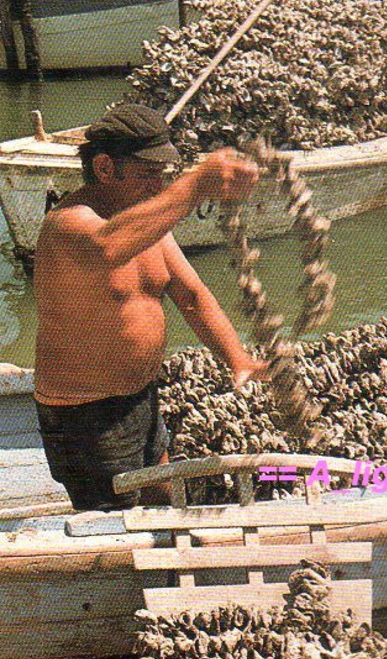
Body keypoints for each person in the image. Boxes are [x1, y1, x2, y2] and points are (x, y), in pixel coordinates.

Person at [33, 103, 267, 511]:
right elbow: (109, 247)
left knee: (162, 498)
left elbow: (191, 297)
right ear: (105, 168)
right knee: (116, 525)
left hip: (140, 396)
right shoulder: (68, 224)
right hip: (87, 416)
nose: (157, 188)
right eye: (147, 174)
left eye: (163, 176)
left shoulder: (143, 224)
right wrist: (195, 186)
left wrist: (238, 360)